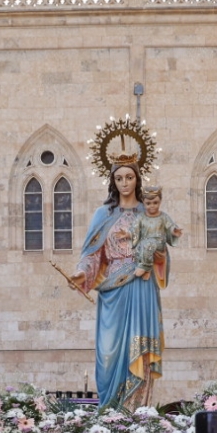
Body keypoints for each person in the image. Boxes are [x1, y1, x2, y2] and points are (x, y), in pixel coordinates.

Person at [69, 157, 165, 410]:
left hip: (141, 285)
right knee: (108, 353)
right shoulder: (104, 214)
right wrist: (82, 273)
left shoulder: (148, 211)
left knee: (139, 348)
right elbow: (92, 253)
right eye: (119, 178)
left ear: (137, 179)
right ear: (113, 181)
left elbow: (161, 249)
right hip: (113, 287)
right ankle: (110, 412)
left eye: (129, 177)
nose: (124, 183)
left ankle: (135, 413)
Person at [128, 184, 181, 278]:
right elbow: (134, 229)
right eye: (148, 203)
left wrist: (174, 231)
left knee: (149, 244)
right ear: (144, 203)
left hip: (158, 244)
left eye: (155, 203)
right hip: (144, 244)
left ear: (160, 202)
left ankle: (145, 267)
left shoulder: (163, 217)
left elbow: (170, 226)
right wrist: (128, 234)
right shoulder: (141, 217)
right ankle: (146, 271)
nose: (152, 206)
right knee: (138, 249)